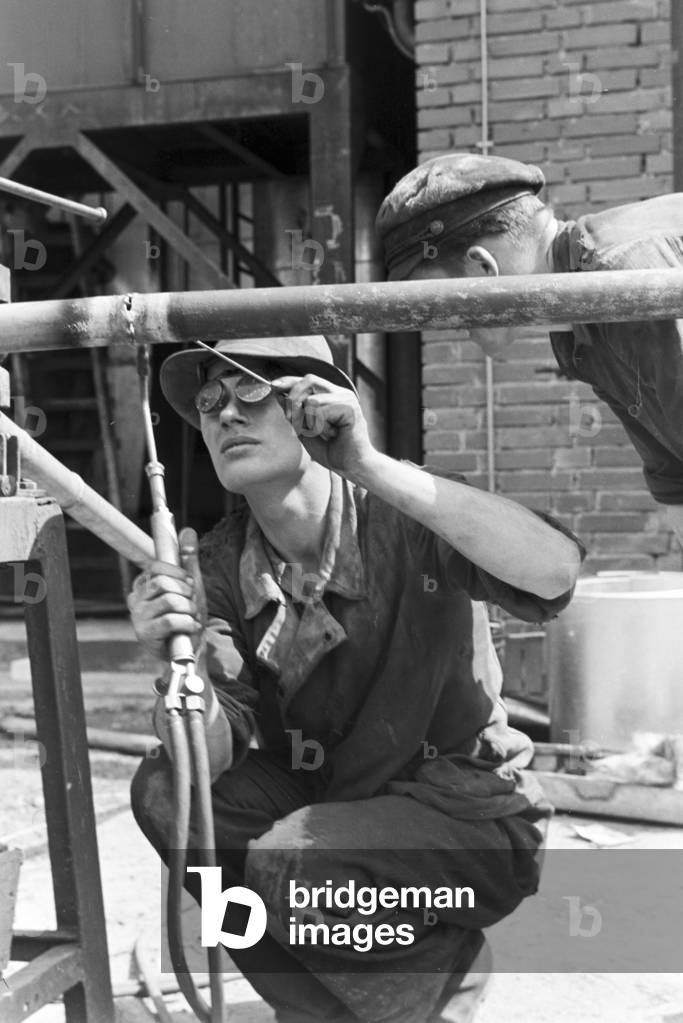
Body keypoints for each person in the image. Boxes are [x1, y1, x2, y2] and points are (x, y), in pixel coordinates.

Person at [127, 334, 583, 1023]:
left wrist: (367, 463)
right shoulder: (219, 565)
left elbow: (554, 573)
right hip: (331, 800)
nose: (224, 414)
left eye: (251, 390)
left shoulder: (407, 516)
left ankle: (434, 972)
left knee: (294, 861)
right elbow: (209, 751)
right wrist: (174, 658)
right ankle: (328, 1005)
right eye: (209, 401)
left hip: (466, 819)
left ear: (313, 403)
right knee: (166, 790)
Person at [376, 152, 683, 551]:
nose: (440, 325)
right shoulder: (576, 337)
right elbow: (674, 477)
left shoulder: (626, 279)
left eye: (437, 304)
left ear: (482, 269)